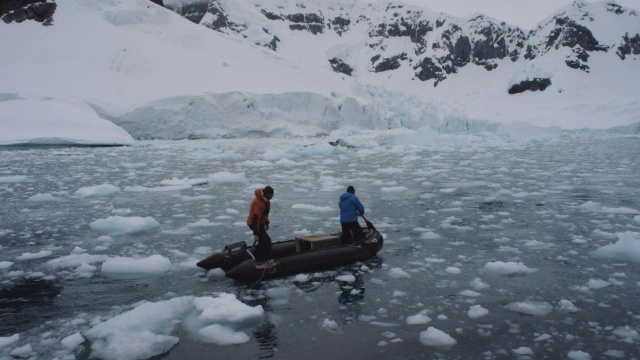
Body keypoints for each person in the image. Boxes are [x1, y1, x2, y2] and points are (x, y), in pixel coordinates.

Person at [247, 186, 274, 260]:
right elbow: (255, 218)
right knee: (266, 241)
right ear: (267, 194)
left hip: (260, 223)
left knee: (264, 241)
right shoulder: (260, 203)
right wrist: (256, 233)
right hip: (254, 223)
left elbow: (264, 214)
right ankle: (261, 258)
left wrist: (266, 222)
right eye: (271, 194)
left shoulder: (265, 200)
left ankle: (258, 255)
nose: (272, 196)